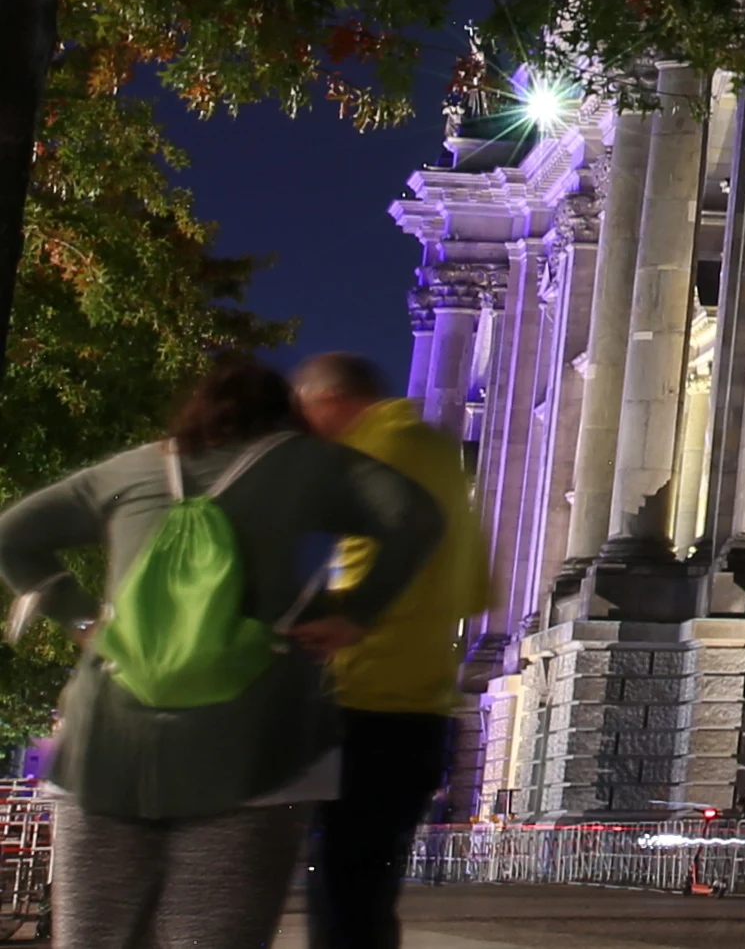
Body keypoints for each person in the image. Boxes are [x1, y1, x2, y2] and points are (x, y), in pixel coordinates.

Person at [0, 358, 442, 949]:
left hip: (103, 747)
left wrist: (84, 620)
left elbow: (13, 535)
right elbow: (415, 517)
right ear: (285, 418)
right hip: (254, 751)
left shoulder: (131, 469)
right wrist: (352, 614)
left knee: (93, 937)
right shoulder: (312, 466)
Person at [291, 354, 486, 949]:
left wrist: (321, 615)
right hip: (424, 703)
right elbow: (478, 584)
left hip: (366, 697)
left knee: (341, 892)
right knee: (366, 891)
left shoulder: (377, 451)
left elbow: (376, 568)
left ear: (329, 401)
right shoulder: (434, 447)